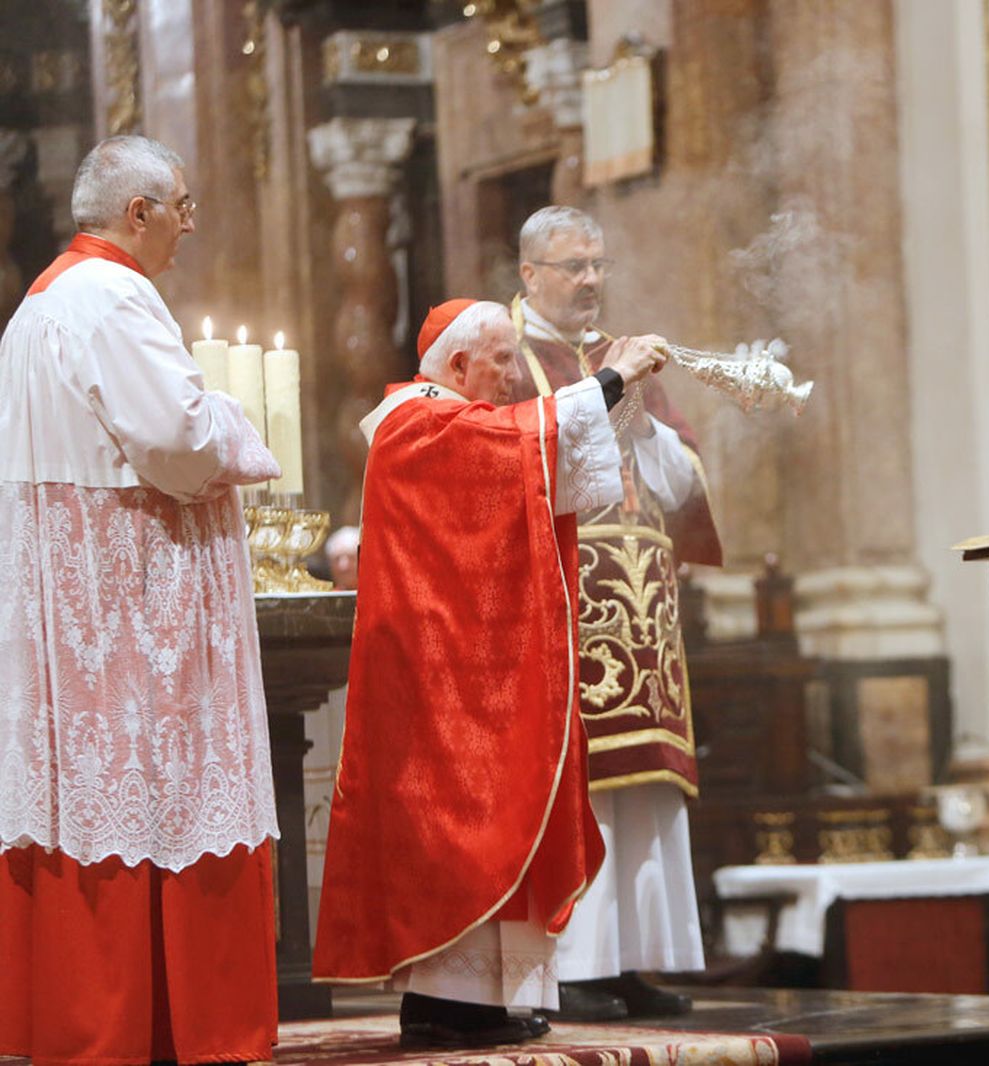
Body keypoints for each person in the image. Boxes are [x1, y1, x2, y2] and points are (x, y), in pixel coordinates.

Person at [313, 298, 666, 1047]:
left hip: (471, 667)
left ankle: (483, 1000)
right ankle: (445, 1006)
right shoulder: (415, 422)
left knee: (498, 812)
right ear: (459, 363)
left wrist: (609, 391)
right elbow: (510, 446)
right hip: (432, 682)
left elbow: (528, 467)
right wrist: (605, 380)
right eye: (502, 361)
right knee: (454, 827)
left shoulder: (450, 422)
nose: (512, 376)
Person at [0, 135, 282, 1064]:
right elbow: (178, 438)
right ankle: (176, 1028)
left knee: (87, 787)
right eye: (183, 207)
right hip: (132, 582)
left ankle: (84, 1024)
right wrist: (241, 428)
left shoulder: (38, 302)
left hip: (66, 582)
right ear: (139, 213)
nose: (190, 225)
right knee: (157, 777)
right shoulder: (114, 295)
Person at [511, 206, 722, 1021]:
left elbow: (676, 483)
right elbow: (514, 459)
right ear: (531, 274)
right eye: (573, 266)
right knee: (585, 784)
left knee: (647, 786)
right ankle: (579, 964)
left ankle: (638, 958)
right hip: (563, 602)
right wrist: (603, 398)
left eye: (598, 264)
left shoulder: (621, 359)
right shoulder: (508, 351)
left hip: (640, 605)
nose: (592, 280)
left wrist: (637, 410)